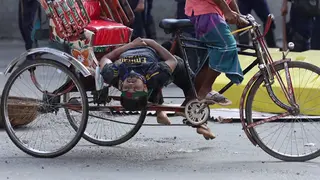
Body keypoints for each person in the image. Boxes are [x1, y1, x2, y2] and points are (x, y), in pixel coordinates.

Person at [98, 37, 215, 140]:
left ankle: (161, 111)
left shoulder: (113, 74)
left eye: (127, 89)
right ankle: (200, 122)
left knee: (157, 78)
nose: (131, 85)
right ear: (144, 88)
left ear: (121, 87)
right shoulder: (154, 75)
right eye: (135, 89)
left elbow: (106, 58)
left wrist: (131, 45)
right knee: (190, 83)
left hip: (133, 46)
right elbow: (172, 61)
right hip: (161, 59)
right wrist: (151, 42)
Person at [184, 0, 248, 106]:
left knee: (208, 60)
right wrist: (227, 11)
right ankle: (206, 90)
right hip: (205, 12)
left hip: (213, 12)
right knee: (227, 46)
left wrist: (238, 15)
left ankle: (190, 104)